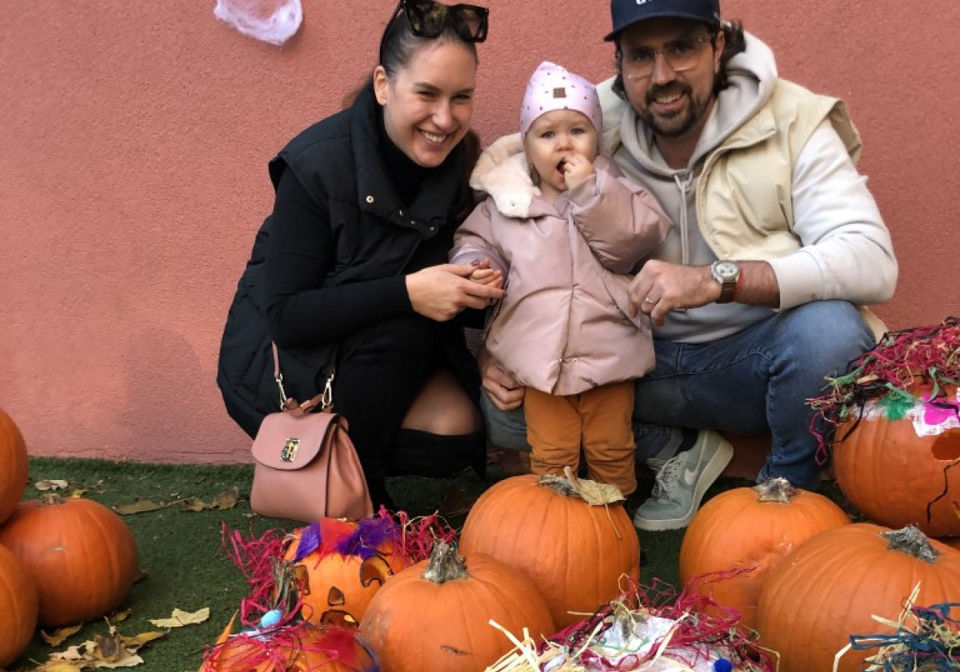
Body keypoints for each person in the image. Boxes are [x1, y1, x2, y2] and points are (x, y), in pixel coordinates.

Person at [479, 0, 897, 530]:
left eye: (681, 48)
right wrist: (499, 348)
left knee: (829, 332)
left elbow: (872, 260)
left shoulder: (792, 120)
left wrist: (718, 280)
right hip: (629, 358)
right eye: (640, 55)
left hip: (747, 362)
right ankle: (678, 450)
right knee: (504, 407)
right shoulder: (585, 120)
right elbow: (509, 212)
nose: (661, 76)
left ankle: (783, 497)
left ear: (718, 45)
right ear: (619, 63)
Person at [217, 0, 505, 511]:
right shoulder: (317, 164)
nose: (445, 118)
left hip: (382, 350)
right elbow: (285, 316)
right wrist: (409, 292)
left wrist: (478, 295)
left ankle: (349, 463)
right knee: (404, 326)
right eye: (427, 93)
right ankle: (360, 505)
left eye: (461, 97)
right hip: (280, 359)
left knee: (455, 432)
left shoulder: (463, 163)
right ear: (383, 85)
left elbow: (450, 295)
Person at [449, 61, 670, 496]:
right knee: (551, 453)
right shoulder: (507, 202)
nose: (563, 144)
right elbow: (476, 238)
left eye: (578, 131)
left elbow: (636, 239)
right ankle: (553, 519)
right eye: (547, 134)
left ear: (597, 140)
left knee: (612, 449)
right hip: (539, 359)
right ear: (528, 146)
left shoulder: (613, 187)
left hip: (609, 356)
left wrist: (591, 193)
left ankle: (614, 527)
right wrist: (477, 260)